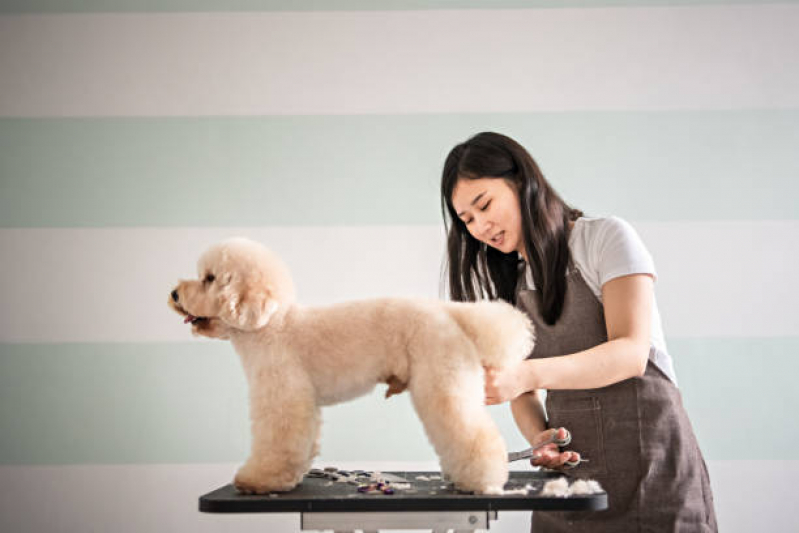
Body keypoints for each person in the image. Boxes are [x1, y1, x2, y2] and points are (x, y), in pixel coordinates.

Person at [440, 131, 717, 532]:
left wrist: (528, 373)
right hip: (571, 484)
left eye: (484, 205)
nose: (481, 226)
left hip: (653, 470)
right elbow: (523, 393)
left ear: (522, 181)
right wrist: (542, 439)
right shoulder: (513, 283)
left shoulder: (604, 238)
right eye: (467, 221)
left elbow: (630, 352)